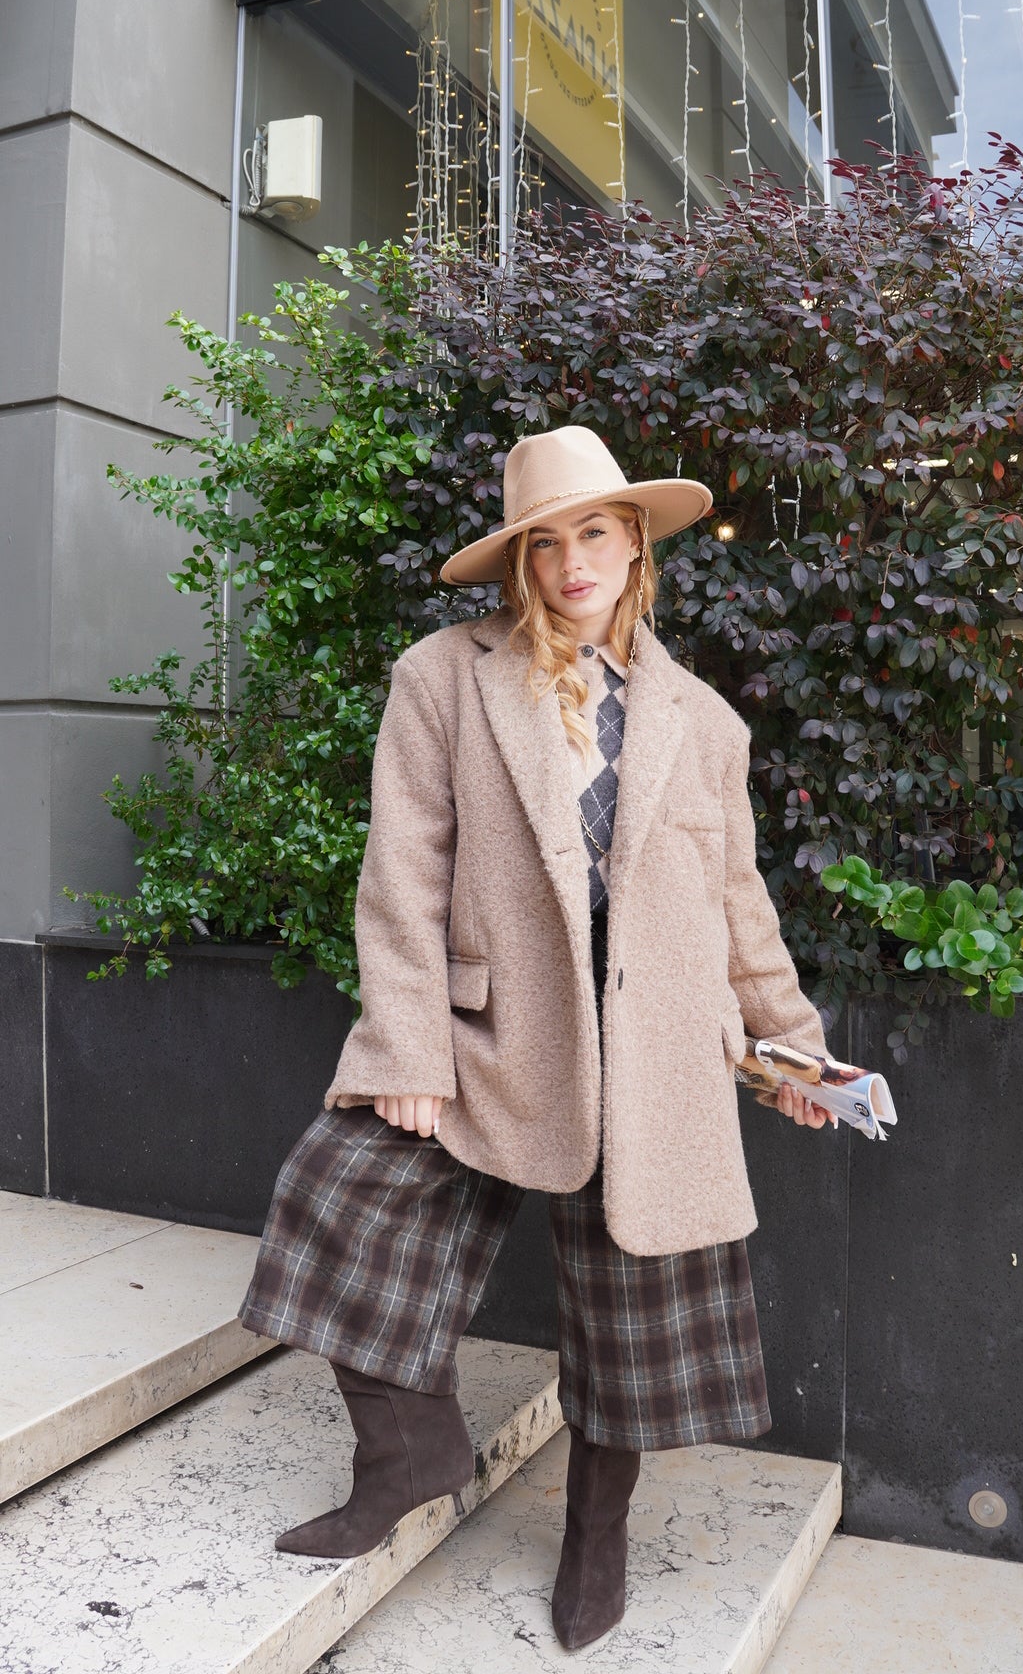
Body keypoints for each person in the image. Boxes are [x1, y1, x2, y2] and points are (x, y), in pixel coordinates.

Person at [239, 424, 835, 1652]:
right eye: (547, 542)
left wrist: (792, 1048)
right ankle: (408, 1459)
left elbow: (738, 908)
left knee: (631, 1320)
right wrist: (407, 1046)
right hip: (488, 1032)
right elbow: (403, 875)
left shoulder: (705, 723)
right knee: (335, 1210)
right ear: (520, 559)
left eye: (596, 533)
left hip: (657, 1051)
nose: (574, 563)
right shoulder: (445, 678)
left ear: (635, 545)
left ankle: (595, 1534)